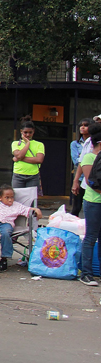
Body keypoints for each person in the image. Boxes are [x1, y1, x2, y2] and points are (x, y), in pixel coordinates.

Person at [0, 184, 43, 273]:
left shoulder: (17, 205)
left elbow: (27, 209)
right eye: (7, 197)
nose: (10, 199)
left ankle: (4, 259)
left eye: (12, 197)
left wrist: (37, 210)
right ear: (0, 198)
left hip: (7, 223)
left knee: (6, 234)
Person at [77, 127, 101, 286]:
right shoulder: (88, 158)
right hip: (93, 202)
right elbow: (91, 182)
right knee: (91, 237)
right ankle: (86, 273)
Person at [11, 116, 44, 196]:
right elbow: (19, 155)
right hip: (18, 174)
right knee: (16, 198)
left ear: (33, 132)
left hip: (33, 175)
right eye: (25, 132)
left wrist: (19, 158)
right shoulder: (15, 143)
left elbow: (39, 160)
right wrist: (27, 143)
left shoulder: (39, 144)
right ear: (21, 131)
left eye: (30, 132)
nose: (28, 134)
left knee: (31, 199)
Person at [70, 118, 91, 216]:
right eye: (81, 125)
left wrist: (83, 158)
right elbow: (76, 161)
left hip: (91, 177)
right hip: (80, 177)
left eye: (85, 125)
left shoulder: (94, 143)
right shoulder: (75, 144)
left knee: (90, 205)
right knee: (76, 207)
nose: (82, 127)